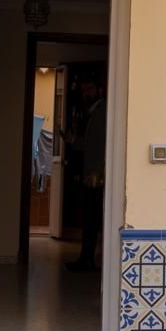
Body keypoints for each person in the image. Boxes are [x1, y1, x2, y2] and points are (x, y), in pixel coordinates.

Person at [66, 77, 106, 273]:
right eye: (84, 89)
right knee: (89, 218)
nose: (86, 93)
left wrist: (99, 172)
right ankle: (86, 258)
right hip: (91, 174)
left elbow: (104, 146)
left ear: (99, 90)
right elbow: (89, 145)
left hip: (97, 177)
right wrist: (73, 140)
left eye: (89, 88)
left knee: (94, 218)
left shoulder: (104, 111)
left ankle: (90, 259)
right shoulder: (91, 112)